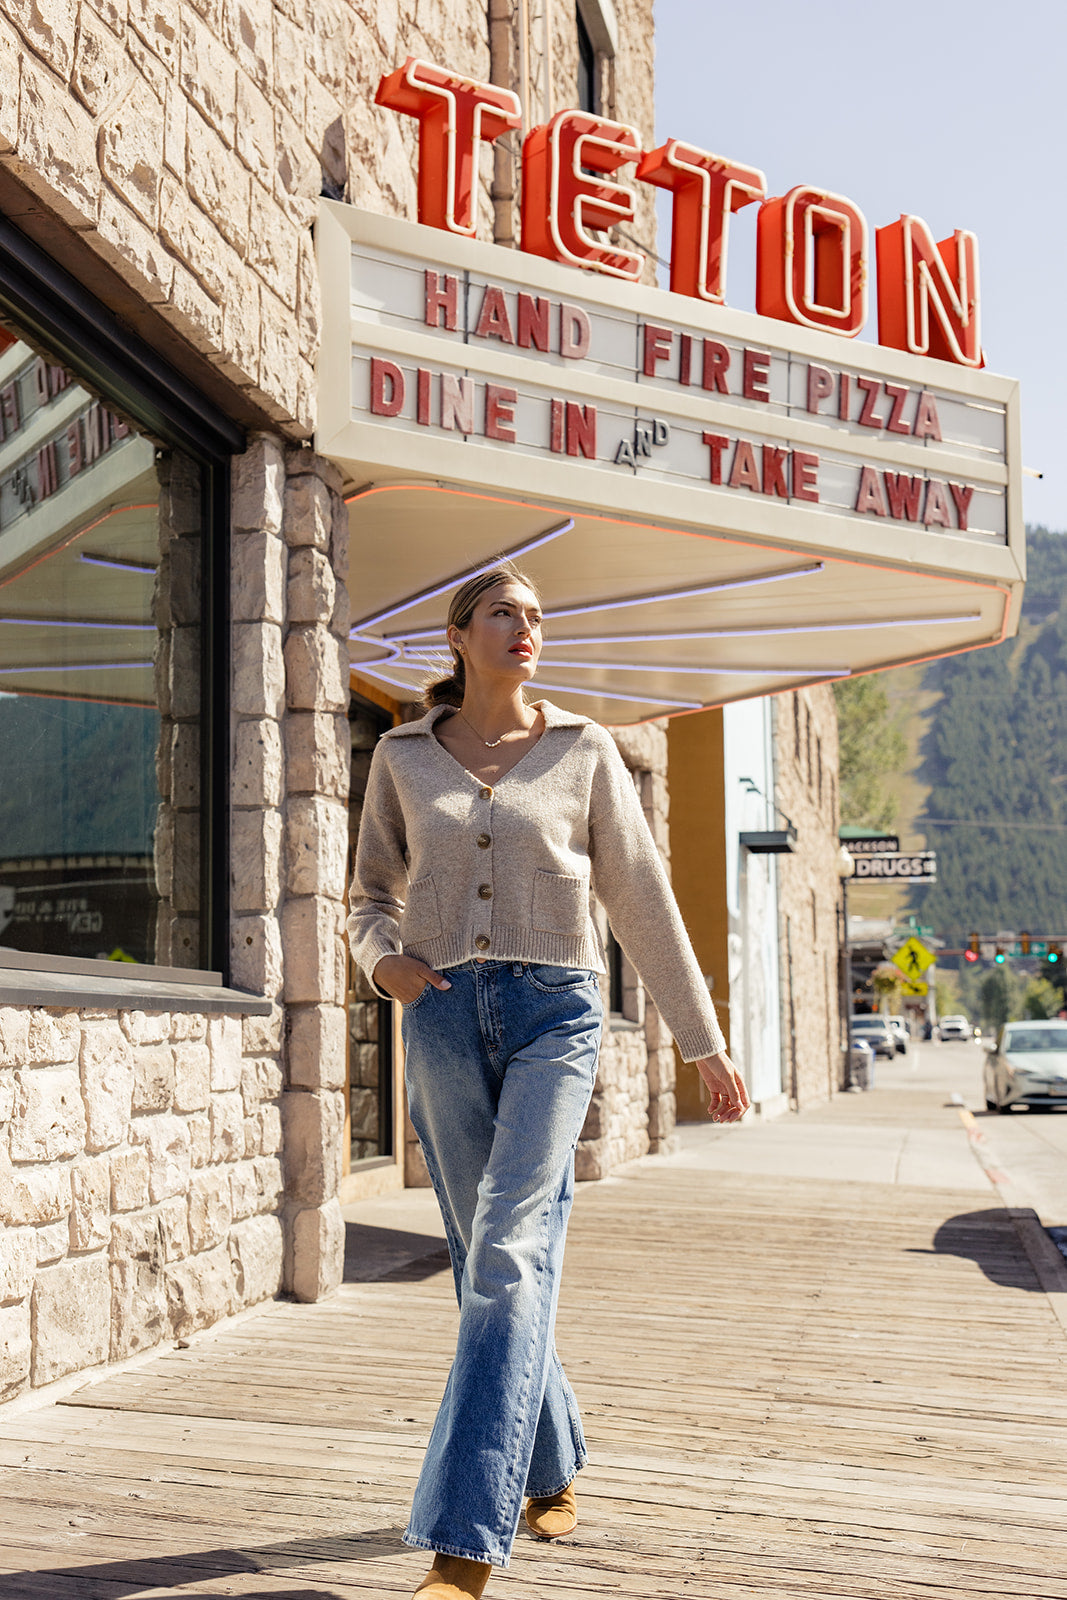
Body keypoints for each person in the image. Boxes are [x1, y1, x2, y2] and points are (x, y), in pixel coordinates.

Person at [346, 563, 749, 1600]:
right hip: (437, 1013)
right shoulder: (399, 754)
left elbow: (642, 899)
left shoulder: (582, 751)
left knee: (512, 1252)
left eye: (535, 616)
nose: (526, 628)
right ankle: (552, 1456)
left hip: (555, 1013)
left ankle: (461, 1543)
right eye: (504, 614)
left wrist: (700, 1042)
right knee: (493, 1260)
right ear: (458, 635)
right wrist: (378, 957)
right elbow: (368, 894)